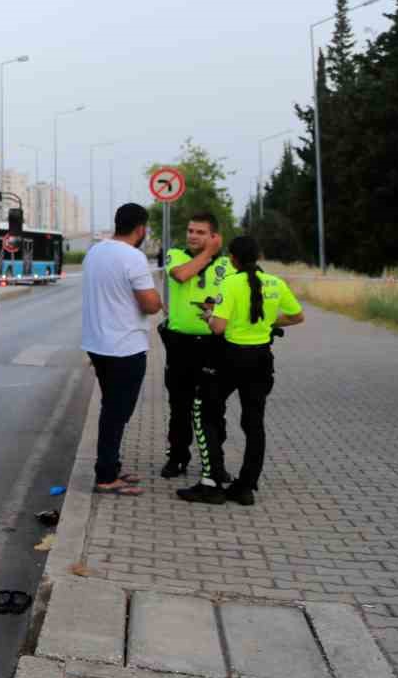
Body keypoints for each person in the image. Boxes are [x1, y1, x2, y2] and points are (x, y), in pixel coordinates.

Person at [179, 236, 304, 506]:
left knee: (204, 412)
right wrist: (269, 322)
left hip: (230, 359)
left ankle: (210, 484)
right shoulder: (276, 283)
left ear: (233, 259)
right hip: (261, 361)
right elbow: (297, 316)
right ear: (258, 256)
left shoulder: (230, 283)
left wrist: (209, 314)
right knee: (254, 423)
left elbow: (219, 327)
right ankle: (245, 487)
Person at [81, 203, 163, 495]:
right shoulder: (133, 257)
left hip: (97, 345)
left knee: (111, 409)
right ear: (141, 229)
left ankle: (111, 466)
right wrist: (159, 301)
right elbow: (150, 304)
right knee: (117, 413)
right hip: (124, 347)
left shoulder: (95, 252)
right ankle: (105, 477)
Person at [158, 213, 234, 480]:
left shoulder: (227, 264)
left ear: (214, 236)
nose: (192, 235)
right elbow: (180, 276)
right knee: (179, 405)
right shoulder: (176, 255)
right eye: (190, 230)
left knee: (214, 407)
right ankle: (178, 458)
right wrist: (207, 253)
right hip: (180, 344)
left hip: (214, 344)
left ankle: (215, 463)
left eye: (201, 232)